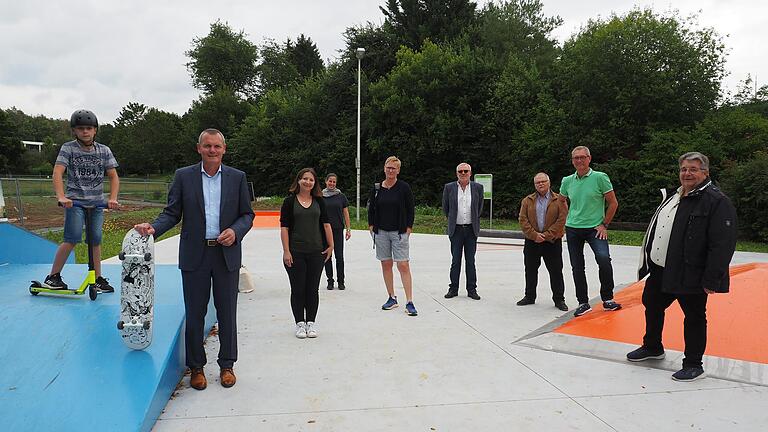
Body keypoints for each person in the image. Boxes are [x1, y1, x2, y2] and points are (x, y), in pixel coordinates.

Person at [134, 129, 254, 391]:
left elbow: (247, 215)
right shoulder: (184, 176)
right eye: (207, 146)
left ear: (224, 149)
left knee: (227, 313)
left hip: (226, 254)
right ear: (199, 148)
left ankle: (227, 365)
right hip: (195, 254)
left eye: (217, 147)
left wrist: (235, 231)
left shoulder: (237, 178)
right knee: (195, 313)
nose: (212, 150)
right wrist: (154, 228)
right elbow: (172, 212)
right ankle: (197, 367)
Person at [627, 152, 736, 382]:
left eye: (693, 169)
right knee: (652, 305)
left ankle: (694, 364)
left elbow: (722, 244)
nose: (687, 173)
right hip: (661, 268)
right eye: (684, 169)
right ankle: (653, 347)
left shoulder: (716, 201)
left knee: (694, 317)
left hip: (691, 272)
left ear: (705, 173)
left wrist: (712, 278)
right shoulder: (674, 196)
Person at [41, 109, 119, 293]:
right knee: (72, 238)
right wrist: (61, 196)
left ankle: (98, 278)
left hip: (97, 203)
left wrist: (113, 198)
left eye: (89, 128)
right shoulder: (68, 148)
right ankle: (53, 277)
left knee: (95, 240)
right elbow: (58, 172)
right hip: (74, 202)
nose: (85, 132)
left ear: (95, 130)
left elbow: (113, 176)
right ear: (74, 131)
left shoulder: (104, 150)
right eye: (81, 128)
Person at [560, 146, 622, 317]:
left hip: (595, 228)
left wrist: (604, 224)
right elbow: (561, 200)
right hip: (573, 229)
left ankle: (608, 299)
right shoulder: (567, 180)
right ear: (572, 161)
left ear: (589, 158)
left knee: (603, 259)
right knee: (577, 266)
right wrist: (568, 217)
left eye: (582, 157)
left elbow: (613, 203)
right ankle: (583, 302)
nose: (579, 161)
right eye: (575, 158)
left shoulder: (600, 178)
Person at [280, 168, 334, 339]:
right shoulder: (289, 202)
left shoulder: (319, 201)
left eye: (311, 180)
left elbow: (326, 224)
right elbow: (284, 228)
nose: (308, 182)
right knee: (298, 290)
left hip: (316, 252)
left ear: (314, 183)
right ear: (299, 180)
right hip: (296, 252)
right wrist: (286, 251)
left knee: (312, 289)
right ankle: (299, 323)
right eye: (305, 179)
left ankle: (310, 322)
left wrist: (331, 246)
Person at [368, 156, 417, 316]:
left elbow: (411, 209)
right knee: (386, 263)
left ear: (398, 170)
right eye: (388, 167)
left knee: (403, 265)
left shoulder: (404, 188)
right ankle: (391, 297)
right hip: (381, 232)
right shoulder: (377, 188)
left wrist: (408, 228)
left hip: (399, 231)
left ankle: (409, 301)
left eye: (394, 168)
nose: (390, 170)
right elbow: (371, 209)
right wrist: (371, 227)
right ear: (384, 168)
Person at [517, 172, 569, 311]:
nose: (540, 184)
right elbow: (523, 219)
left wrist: (546, 235)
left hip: (552, 242)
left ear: (549, 182)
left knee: (556, 271)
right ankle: (529, 296)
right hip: (532, 242)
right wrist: (534, 235)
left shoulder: (559, 200)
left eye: (543, 181)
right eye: (537, 182)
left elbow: (562, 219)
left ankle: (559, 299)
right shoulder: (527, 200)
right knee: (530, 270)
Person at [442, 162, 484, 300]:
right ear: (457, 173)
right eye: (460, 171)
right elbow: (446, 208)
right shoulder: (449, 188)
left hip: (471, 230)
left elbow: (479, 207)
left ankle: (472, 290)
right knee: (455, 261)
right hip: (456, 230)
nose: (463, 173)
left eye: (466, 171)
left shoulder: (478, 187)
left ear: (470, 173)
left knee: (470, 261)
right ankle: (453, 289)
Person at [321, 173, 351, 290]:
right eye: (330, 181)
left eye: (334, 182)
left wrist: (348, 229)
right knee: (327, 256)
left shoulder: (341, 196)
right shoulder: (320, 196)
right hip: (324, 231)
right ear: (326, 181)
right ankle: (330, 280)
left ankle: (341, 281)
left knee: (339, 256)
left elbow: (346, 213)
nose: (332, 184)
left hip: (338, 229)